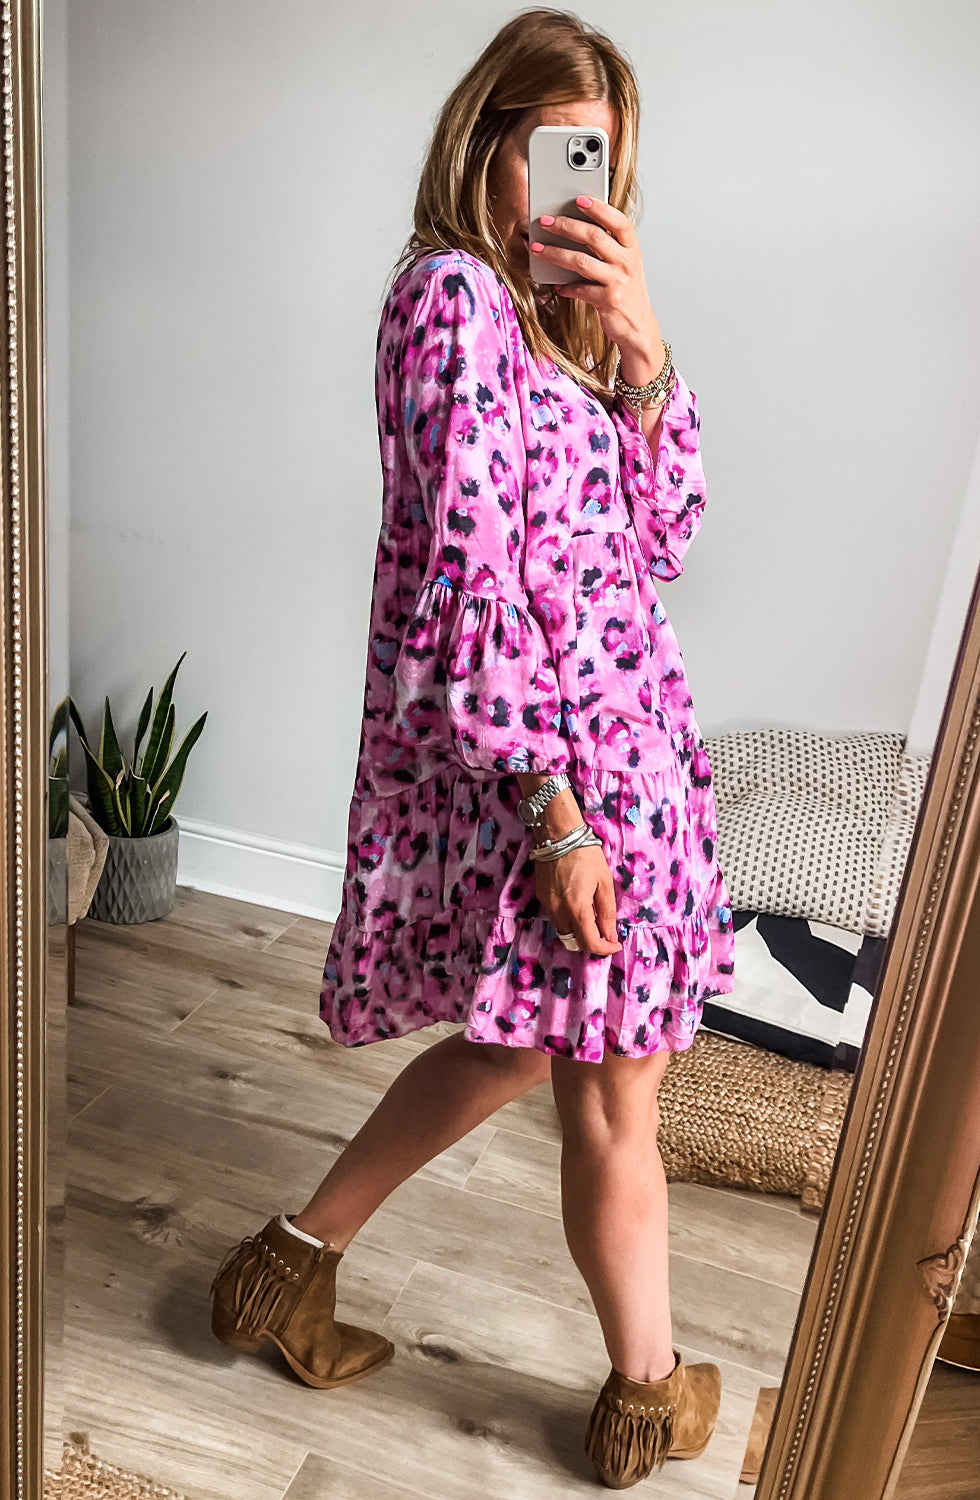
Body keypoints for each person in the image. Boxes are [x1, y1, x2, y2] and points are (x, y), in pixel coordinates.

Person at [209, 9, 735, 1488]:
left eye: (599, 162)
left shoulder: (563, 329)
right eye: (551, 149)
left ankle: (290, 1266)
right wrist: (553, 814)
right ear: (484, 137)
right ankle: (644, 1395)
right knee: (603, 1080)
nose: (575, 187)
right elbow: (465, 578)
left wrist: (643, 352)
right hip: (569, 766)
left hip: (626, 744)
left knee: (529, 1050)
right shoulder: (451, 299)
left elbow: (663, 540)